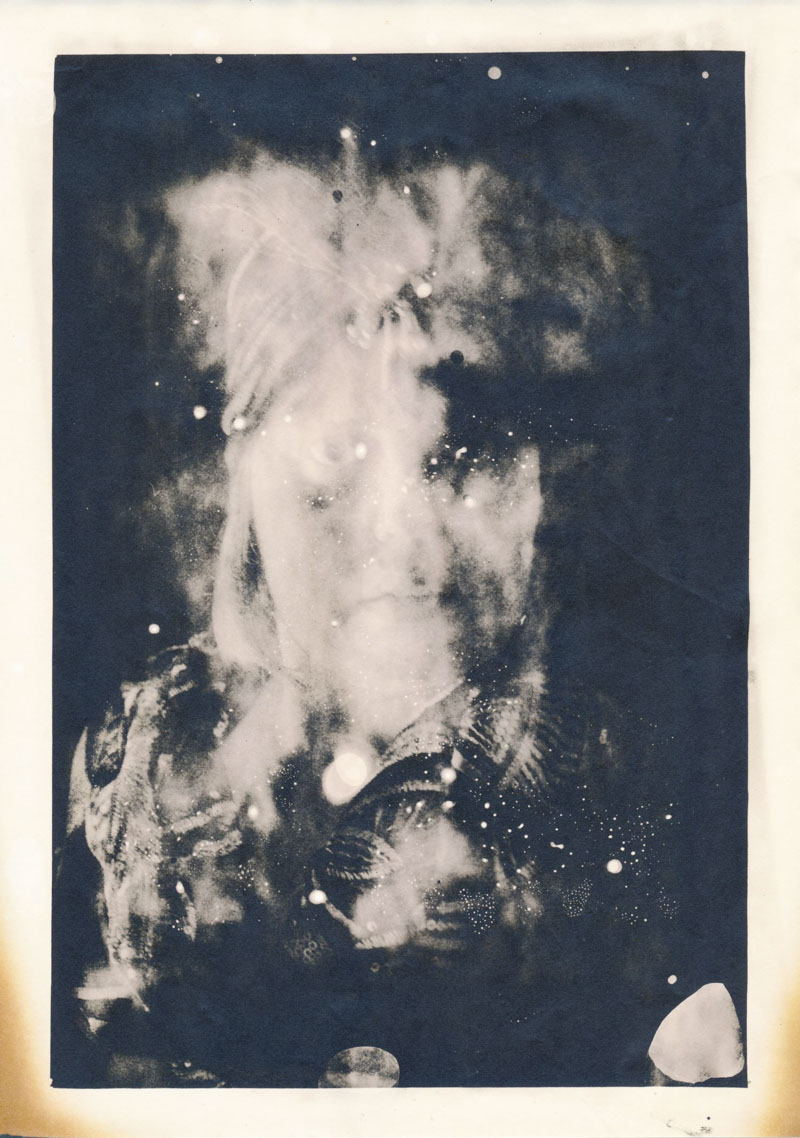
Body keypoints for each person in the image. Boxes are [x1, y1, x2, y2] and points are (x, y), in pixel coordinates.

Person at [58, 135, 715, 1088]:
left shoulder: (640, 763)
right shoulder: (142, 763)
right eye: (334, 467)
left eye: (462, 461)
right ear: (243, 490)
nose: (413, 554)